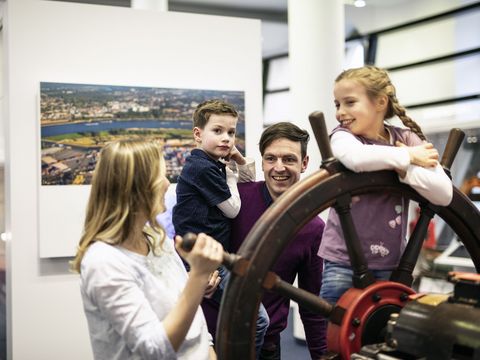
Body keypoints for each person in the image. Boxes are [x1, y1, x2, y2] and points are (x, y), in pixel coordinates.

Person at [71, 140, 224, 360]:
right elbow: (154, 350)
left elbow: (195, 324)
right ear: (138, 187)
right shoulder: (103, 262)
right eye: (161, 176)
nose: (166, 184)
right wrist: (198, 277)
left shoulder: (157, 239)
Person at [319, 65, 453, 304]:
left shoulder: (407, 138)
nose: (340, 112)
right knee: (334, 335)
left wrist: (404, 171)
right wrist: (408, 158)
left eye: (349, 102)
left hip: (391, 262)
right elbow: (356, 159)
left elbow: (443, 194)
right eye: (337, 104)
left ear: (380, 102)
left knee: (381, 334)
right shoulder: (342, 136)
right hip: (342, 261)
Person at [203, 122, 327, 359]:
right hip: (211, 341)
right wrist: (199, 275)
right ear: (262, 162)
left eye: (289, 159)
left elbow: (312, 306)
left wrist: (321, 356)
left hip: (265, 346)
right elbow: (198, 237)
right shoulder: (237, 200)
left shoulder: (314, 228)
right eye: (271, 158)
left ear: (304, 163)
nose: (278, 168)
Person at [172, 99, 269, 355]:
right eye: (217, 131)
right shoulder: (203, 168)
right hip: (205, 259)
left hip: (211, 253)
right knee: (259, 321)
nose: (226, 138)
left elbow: (248, 184)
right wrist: (230, 174)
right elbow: (233, 208)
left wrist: (237, 159)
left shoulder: (209, 163)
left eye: (231, 132)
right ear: (198, 134)